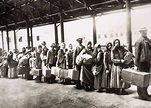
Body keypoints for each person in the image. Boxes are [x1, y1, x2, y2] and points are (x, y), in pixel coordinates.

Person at [135, 27, 151, 101]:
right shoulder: (139, 41)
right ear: (140, 32)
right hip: (141, 62)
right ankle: (141, 94)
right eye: (143, 31)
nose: (145, 32)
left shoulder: (148, 40)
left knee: (146, 78)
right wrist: (136, 64)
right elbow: (137, 52)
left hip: (147, 62)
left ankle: (145, 92)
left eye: (145, 31)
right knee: (141, 78)